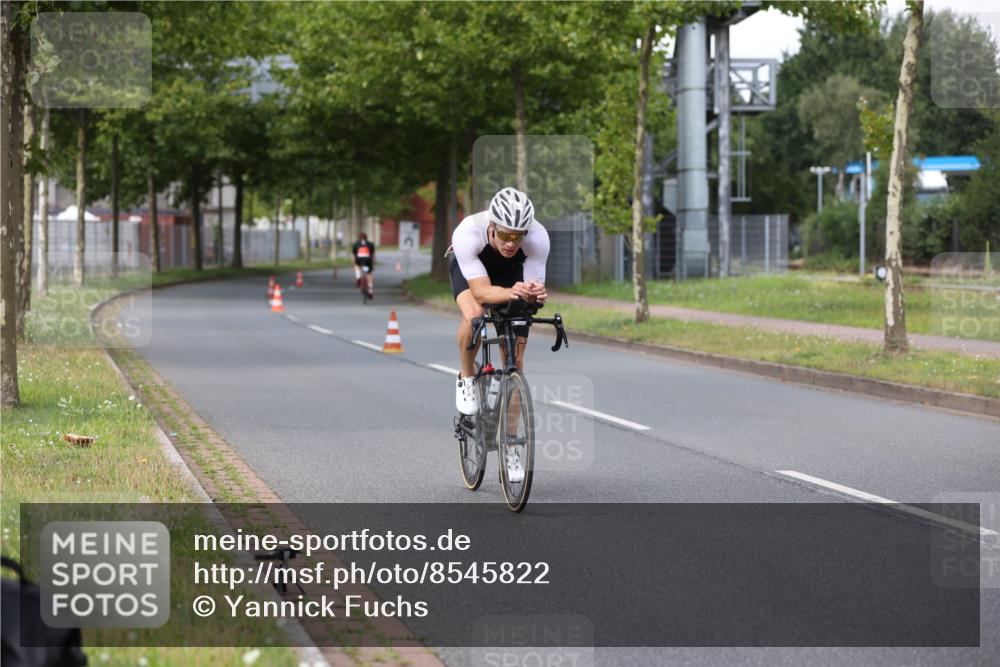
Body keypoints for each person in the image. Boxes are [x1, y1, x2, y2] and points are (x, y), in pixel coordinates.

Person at [450, 186, 549, 406]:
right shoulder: (468, 232)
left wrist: (535, 294)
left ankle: (512, 439)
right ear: (492, 226)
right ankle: (466, 378)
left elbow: (531, 293)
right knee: (475, 316)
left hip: (511, 273)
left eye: (517, 236)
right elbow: (481, 292)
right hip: (473, 271)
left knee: (516, 364)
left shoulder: (538, 237)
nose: (511, 243)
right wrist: (513, 292)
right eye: (504, 235)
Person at [352, 232, 375, 297]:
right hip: (367, 260)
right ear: (366, 237)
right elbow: (372, 255)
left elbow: (354, 256)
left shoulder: (356, 244)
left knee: (357, 266)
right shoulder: (370, 244)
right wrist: (373, 265)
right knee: (369, 274)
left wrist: (354, 266)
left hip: (359, 259)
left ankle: (358, 277)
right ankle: (370, 291)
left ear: (359, 238)